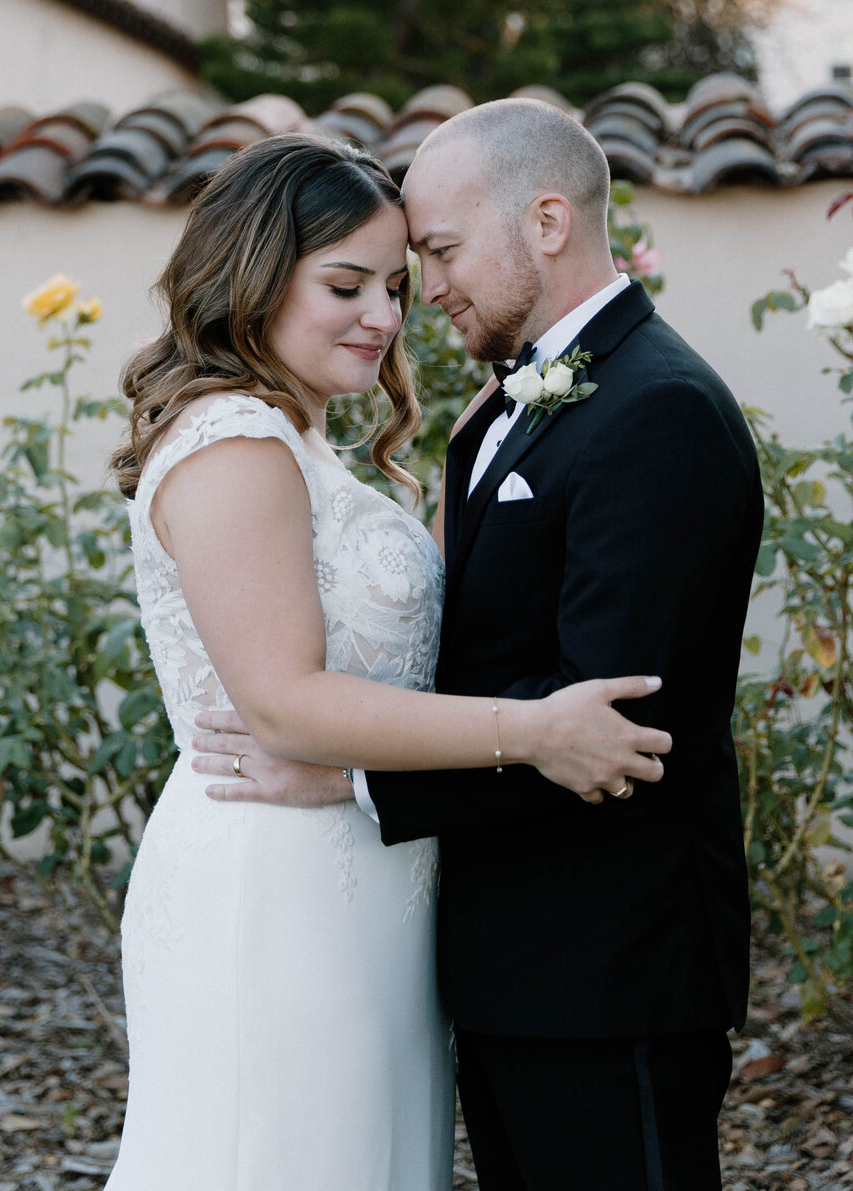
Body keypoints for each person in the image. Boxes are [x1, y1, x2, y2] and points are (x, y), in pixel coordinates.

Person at [200, 101, 762, 1191]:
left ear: (548, 221)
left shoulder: (659, 410)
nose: (425, 294)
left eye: (438, 256)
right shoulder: (514, 405)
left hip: (609, 962)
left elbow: (612, 720)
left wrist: (348, 783)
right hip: (510, 957)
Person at [104, 132, 671, 1191]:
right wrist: (534, 732)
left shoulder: (306, 445)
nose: (385, 316)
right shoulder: (233, 442)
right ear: (256, 275)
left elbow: (400, 626)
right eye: (346, 284)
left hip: (370, 872)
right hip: (272, 881)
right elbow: (284, 703)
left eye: (399, 288)